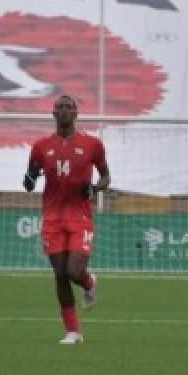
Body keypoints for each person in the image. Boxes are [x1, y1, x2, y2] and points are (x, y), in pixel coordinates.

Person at [24, 95, 110, 344]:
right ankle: (73, 331)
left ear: (76, 113)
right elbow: (30, 178)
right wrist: (29, 180)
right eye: (59, 107)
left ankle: (89, 281)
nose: (63, 111)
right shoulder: (41, 146)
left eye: (68, 107)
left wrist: (94, 188)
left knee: (74, 271)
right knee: (60, 274)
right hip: (52, 217)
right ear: (53, 113)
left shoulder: (92, 144)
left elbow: (106, 177)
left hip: (80, 216)